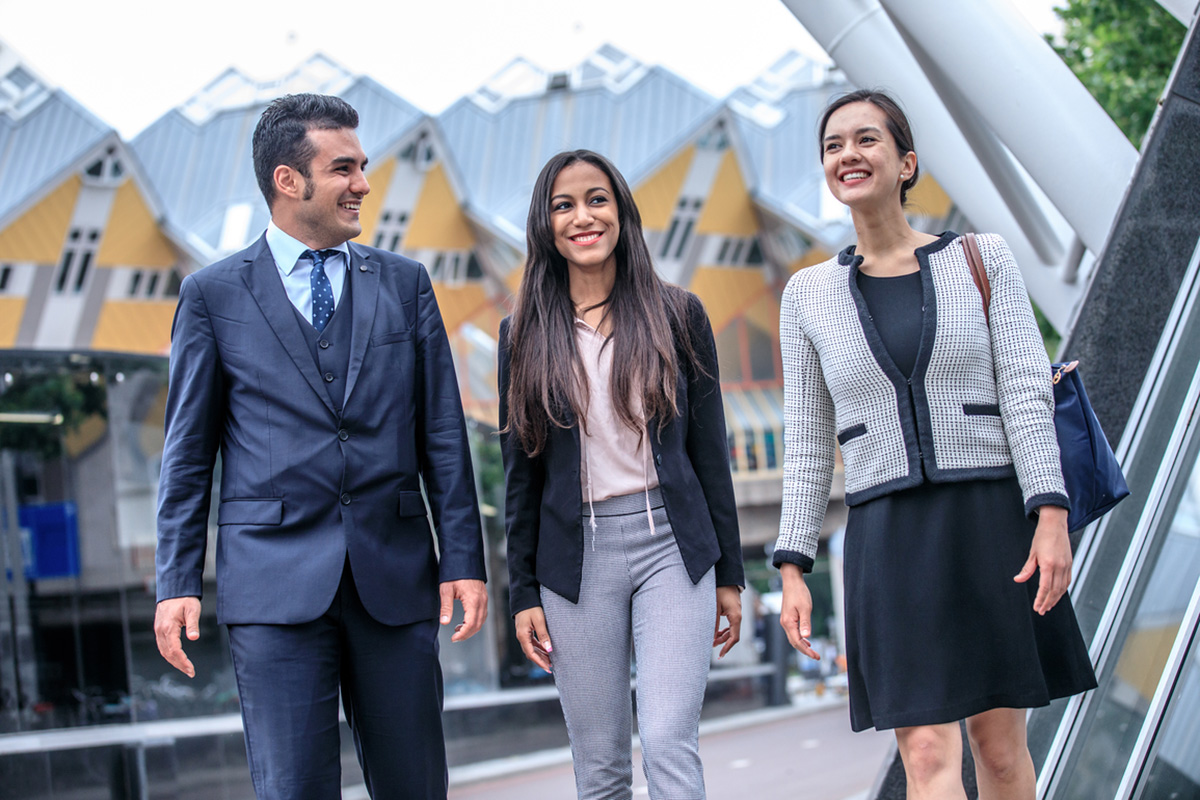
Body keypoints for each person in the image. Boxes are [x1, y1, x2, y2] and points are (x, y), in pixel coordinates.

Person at [153, 93, 487, 800]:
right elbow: (187, 452)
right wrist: (176, 579)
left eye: (362, 166)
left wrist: (464, 559)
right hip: (271, 585)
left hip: (394, 577)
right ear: (288, 180)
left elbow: (443, 438)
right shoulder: (212, 296)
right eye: (344, 168)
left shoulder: (404, 285)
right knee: (294, 789)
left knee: (416, 786)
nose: (363, 183)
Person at [774, 90, 1096, 799]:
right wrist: (793, 562)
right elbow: (805, 440)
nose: (847, 155)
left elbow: (1023, 389)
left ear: (906, 161)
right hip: (888, 531)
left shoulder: (983, 258)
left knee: (1001, 748)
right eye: (833, 146)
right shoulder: (806, 296)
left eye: (865, 140)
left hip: (988, 519)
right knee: (922, 752)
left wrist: (1050, 515)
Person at [499, 149, 744, 800]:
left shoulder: (677, 314)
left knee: (667, 740)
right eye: (564, 204)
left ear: (622, 212)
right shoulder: (520, 335)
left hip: (671, 545)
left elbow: (707, 451)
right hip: (575, 560)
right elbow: (520, 476)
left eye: (597, 199)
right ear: (544, 224)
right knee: (601, 765)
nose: (584, 216)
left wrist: (731, 576)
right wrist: (522, 592)